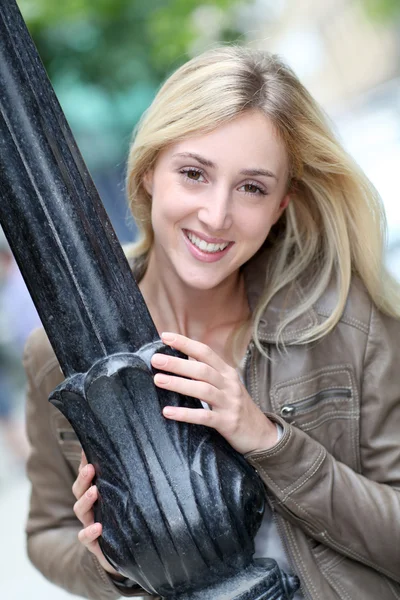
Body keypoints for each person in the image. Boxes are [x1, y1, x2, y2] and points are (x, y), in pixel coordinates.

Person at [24, 46, 400, 600]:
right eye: (194, 174)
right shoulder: (59, 349)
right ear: (150, 169)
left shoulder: (348, 321)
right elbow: (47, 533)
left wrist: (270, 440)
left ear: (280, 204)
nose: (216, 215)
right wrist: (112, 563)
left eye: (252, 187)